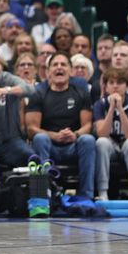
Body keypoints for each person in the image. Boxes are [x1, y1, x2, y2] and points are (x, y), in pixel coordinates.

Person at [26, 52, 96, 198]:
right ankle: (43, 194)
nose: (59, 68)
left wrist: (75, 135)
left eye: (63, 64)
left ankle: (86, 195)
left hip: (73, 146)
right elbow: (31, 129)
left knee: (88, 140)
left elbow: (88, 125)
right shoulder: (39, 94)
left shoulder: (81, 93)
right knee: (40, 139)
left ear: (70, 71)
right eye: (55, 65)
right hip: (49, 146)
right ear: (48, 71)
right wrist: (54, 136)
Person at [93, 67, 128, 201]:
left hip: (126, 144)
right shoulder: (100, 104)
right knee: (101, 142)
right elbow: (102, 133)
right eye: (111, 82)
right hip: (110, 145)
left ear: (127, 86)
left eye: (120, 82)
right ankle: (103, 192)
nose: (115, 86)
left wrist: (120, 108)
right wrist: (111, 108)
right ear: (106, 86)